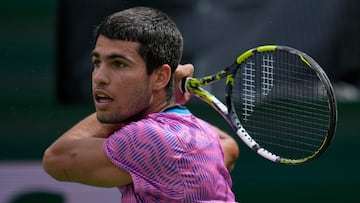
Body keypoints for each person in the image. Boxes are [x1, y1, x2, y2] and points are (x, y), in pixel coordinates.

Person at [43, 6, 239, 202]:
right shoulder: (206, 138)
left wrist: (131, 109)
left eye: (119, 64)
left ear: (160, 77)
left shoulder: (148, 137)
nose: (99, 77)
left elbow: (56, 159)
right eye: (96, 62)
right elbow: (229, 146)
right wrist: (171, 97)